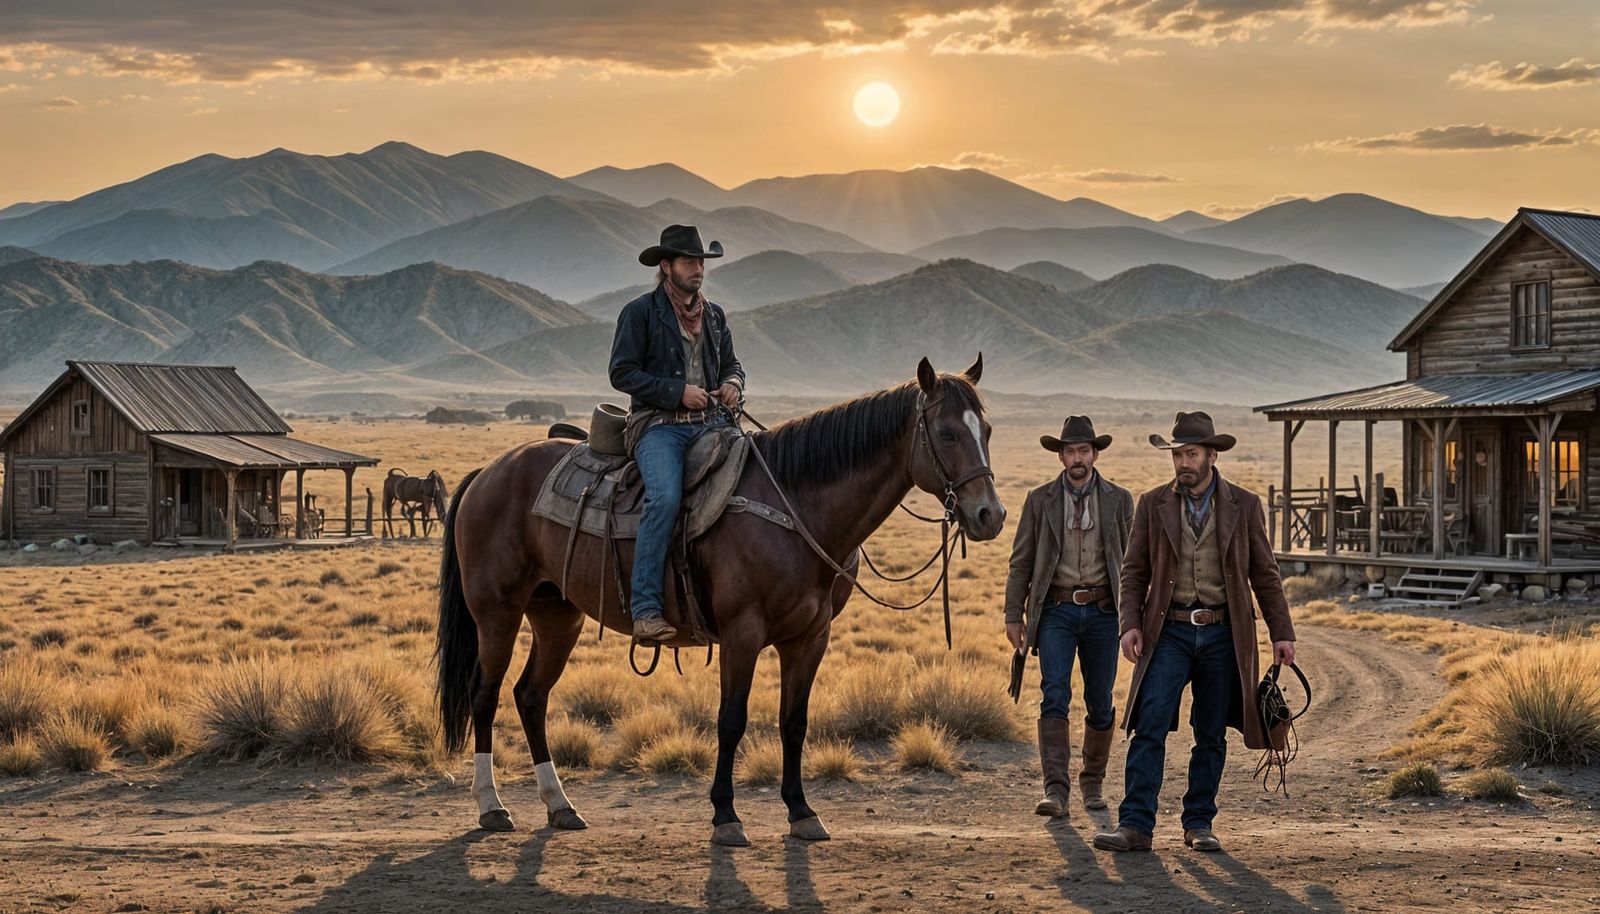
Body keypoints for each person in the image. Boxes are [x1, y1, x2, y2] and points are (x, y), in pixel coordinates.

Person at [1093, 411, 1296, 853]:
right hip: (1170, 632)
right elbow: (1133, 572)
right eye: (1177, 455)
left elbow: (1265, 574)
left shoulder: (1244, 505)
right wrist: (1130, 624)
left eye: (1191, 454)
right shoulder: (1152, 503)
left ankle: (1199, 823)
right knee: (1149, 724)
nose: (1183, 463)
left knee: (1211, 732)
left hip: (1224, 634)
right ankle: (1135, 825)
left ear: (1211, 455)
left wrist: (1282, 632)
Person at [607, 224, 745, 643]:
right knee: (664, 498)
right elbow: (621, 372)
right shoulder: (641, 312)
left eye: (701, 262)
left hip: (713, 423)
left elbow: (733, 365)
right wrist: (676, 393)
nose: (698, 269)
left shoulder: (715, 315)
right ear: (666, 267)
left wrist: (734, 386)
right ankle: (646, 609)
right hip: (658, 427)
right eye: (689, 262)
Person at [1004, 416, 1133, 818]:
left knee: (1100, 700)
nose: (1077, 458)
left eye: (1084, 450)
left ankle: (1092, 782)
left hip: (1103, 611)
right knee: (1054, 693)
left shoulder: (1119, 499)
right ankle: (1055, 790)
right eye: (1070, 451)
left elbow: (1132, 563)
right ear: (1060, 456)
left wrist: (1134, 617)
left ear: (1095, 454)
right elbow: (1020, 562)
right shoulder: (1039, 499)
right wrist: (1014, 614)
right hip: (1056, 609)